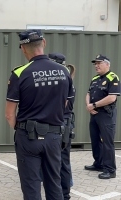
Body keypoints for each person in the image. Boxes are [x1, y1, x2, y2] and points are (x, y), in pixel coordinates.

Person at [5, 29, 73, 200]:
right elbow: (64, 104)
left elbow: (9, 113)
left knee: (31, 185)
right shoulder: (64, 71)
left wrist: (21, 129)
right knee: (54, 183)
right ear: (44, 43)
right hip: (54, 137)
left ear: (22, 48)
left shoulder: (19, 73)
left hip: (28, 137)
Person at [84, 54, 120, 179]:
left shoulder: (112, 77)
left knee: (107, 143)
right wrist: (89, 105)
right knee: (95, 140)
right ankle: (98, 163)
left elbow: (111, 97)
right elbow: (88, 93)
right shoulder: (95, 78)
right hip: (94, 114)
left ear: (107, 64)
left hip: (106, 114)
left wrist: (93, 105)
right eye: (95, 63)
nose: (96, 65)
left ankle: (110, 170)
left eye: (99, 63)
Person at [49, 53, 76, 200]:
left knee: (62, 161)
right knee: (59, 161)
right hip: (61, 124)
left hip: (62, 124)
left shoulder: (64, 83)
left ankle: (65, 194)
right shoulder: (64, 81)